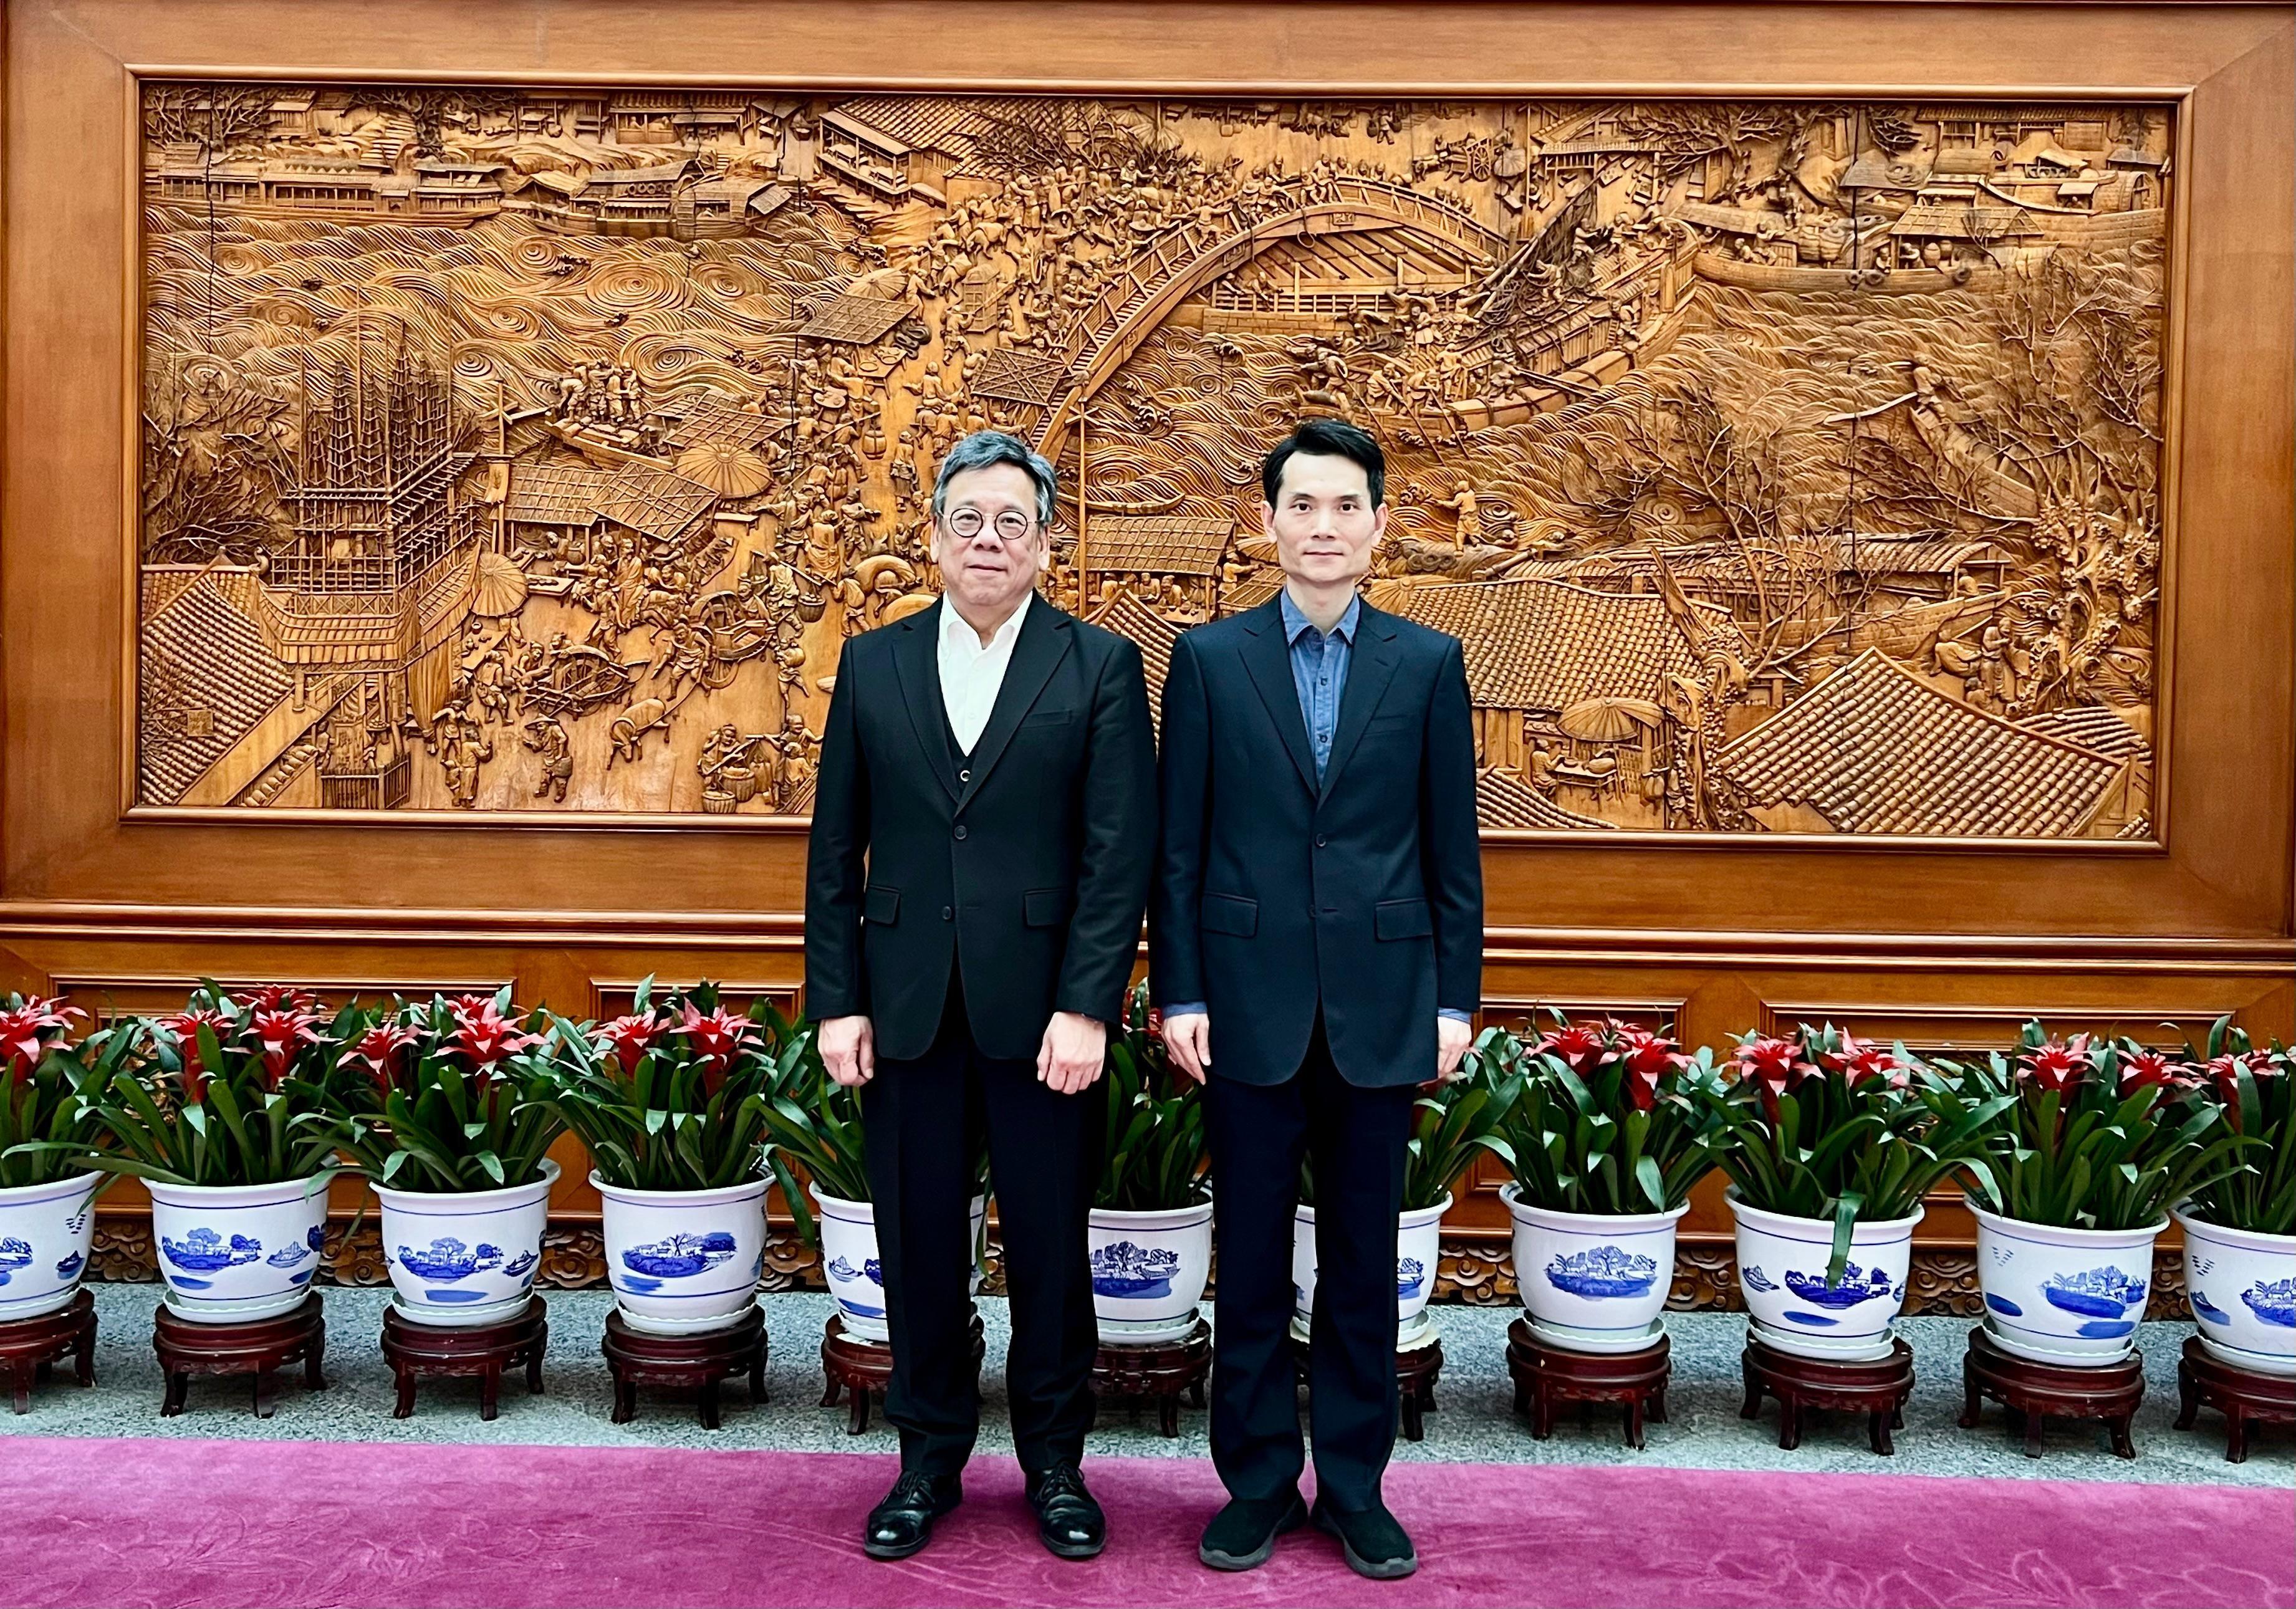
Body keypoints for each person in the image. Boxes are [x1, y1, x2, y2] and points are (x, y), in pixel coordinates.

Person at [805, 431, 1158, 1563]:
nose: (990, 540)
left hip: (1046, 1016)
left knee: (1051, 1247)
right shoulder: (873, 663)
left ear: (1047, 544)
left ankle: (1056, 1463)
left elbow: (1118, 856)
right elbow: (834, 851)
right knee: (916, 1243)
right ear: (935, 539)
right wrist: (837, 1000)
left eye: (1013, 521)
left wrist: (1089, 1004)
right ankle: (926, 1460)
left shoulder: (1099, 667)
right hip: (905, 1007)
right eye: (969, 520)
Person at [1151, 417, 1482, 1580]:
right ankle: (1251, 1484)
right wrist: (1178, 987)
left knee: (1359, 1263)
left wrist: (1455, 1002)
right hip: (1242, 1004)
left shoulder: (1430, 665)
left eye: (1347, 507)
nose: (1324, 527)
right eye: (1303, 505)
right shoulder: (1207, 660)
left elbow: (1454, 856)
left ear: (1380, 526)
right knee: (1244, 1262)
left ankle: (1352, 1484)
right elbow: (1177, 851)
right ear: (1269, 522)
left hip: (1387, 1006)